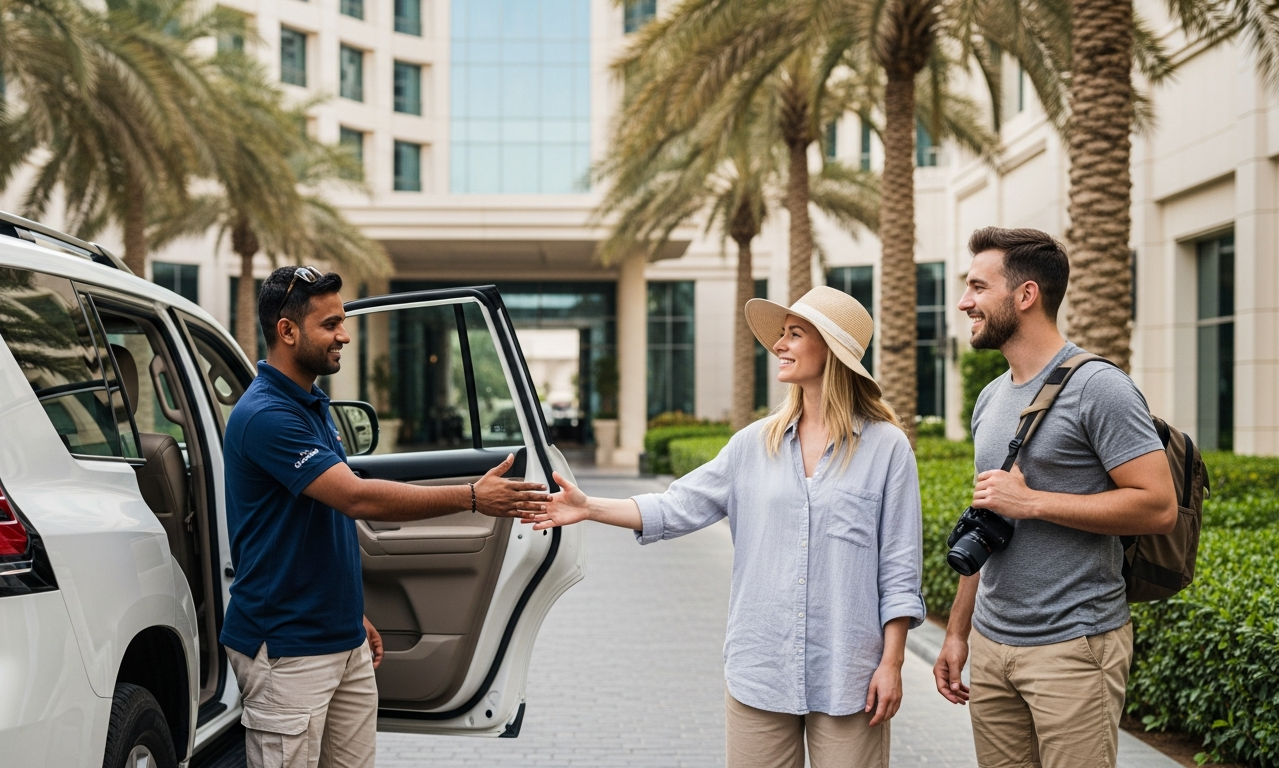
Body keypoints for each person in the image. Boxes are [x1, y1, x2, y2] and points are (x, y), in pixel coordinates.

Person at [527, 286, 925, 768]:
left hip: (851, 675)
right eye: (782, 334)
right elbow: (677, 506)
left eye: (795, 334)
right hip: (761, 669)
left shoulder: (887, 449)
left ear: (832, 350)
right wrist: (588, 506)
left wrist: (892, 663)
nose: (779, 344)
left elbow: (899, 569)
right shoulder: (753, 445)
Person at [221, 266, 551, 768]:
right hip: (286, 648)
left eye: (342, 321)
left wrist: (350, 614)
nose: (344, 335)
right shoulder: (267, 415)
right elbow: (355, 498)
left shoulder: (310, 404)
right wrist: (471, 496)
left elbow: (317, 521)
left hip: (340, 637)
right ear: (287, 331)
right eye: (330, 324)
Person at [933, 228, 1177, 768]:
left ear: (1026, 295)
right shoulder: (991, 397)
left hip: (1074, 647)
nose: (964, 302)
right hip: (992, 646)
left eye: (978, 287)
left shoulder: (1099, 387)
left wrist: (1033, 503)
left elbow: (1158, 506)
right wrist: (957, 633)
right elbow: (984, 517)